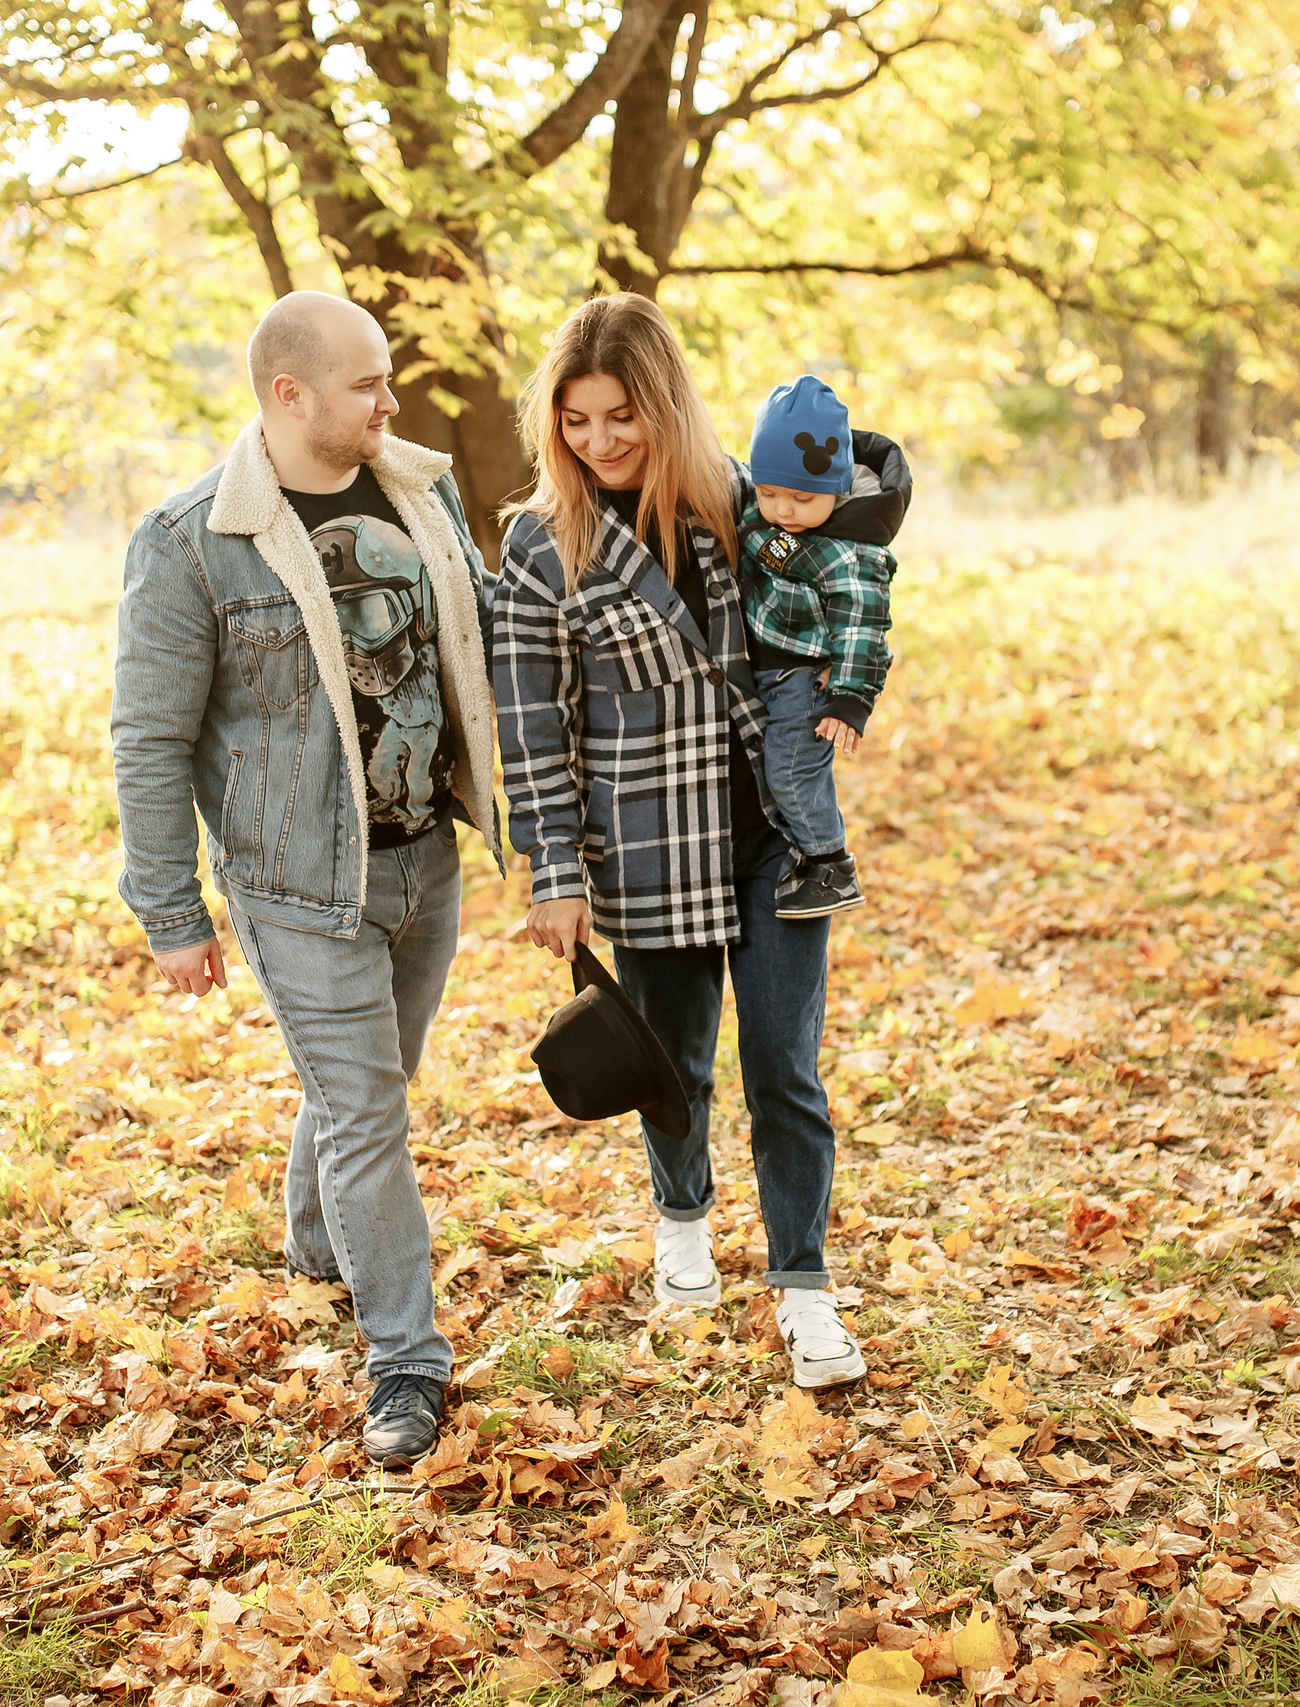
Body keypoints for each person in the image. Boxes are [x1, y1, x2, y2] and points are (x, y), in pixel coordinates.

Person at [110, 291, 501, 1466]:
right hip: (296, 885)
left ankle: (319, 1249)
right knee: (368, 1112)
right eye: (366, 383)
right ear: (290, 394)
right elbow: (148, 739)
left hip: (423, 856)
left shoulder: (419, 494)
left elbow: (481, 645)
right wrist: (170, 911)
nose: (390, 401)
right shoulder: (193, 540)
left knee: (367, 1089)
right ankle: (406, 1362)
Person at [491, 292, 867, 1389]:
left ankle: (805, 1291)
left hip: (775, 843)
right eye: (576, 421)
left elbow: (852, 574)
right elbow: (532, 726)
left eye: (622, 416)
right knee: (677, 1069)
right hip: (648, 845)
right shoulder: (540, 547)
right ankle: (683, 1221)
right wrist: (554, 871)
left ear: (665, 405)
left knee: (786, 1072)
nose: (599, 441)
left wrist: (843, 686)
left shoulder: (741, 506)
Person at [737, 375, 911, 918]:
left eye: (802, 498)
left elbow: (862, 626)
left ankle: (830, 866)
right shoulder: (779, 522)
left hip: (806, 680)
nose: (783, 510)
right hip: (773, 671)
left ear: (836, 490)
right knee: (778, 769)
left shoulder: (850, 551)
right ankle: (808, 854)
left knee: (791, 771)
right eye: (768, 493)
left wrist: (850, 699)